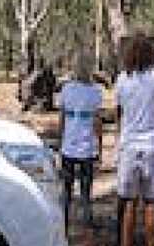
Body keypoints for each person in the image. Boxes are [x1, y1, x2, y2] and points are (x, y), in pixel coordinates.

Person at [115, 35, 154, 246]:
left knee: (129, 203)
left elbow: (119, 110)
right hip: (152, 146)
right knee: (151, 202)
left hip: (129, 146)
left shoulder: (122, 79)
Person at [58, 59, 103, 234]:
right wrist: (99, 145)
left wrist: (61, 139)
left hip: (69, 146)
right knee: (86, 189)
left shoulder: (66, 89)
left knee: (67, 189)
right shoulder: (95, 92)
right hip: (87, 147)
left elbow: (62, 118)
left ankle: (64, 224)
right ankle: (87, 224)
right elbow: (97, 122)